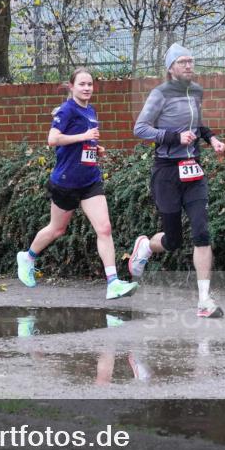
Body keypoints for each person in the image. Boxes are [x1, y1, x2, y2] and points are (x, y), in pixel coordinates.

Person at [16, 68, 139, 300]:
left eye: (90, 84)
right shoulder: (66, 110)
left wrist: (94, 148)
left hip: (90, 180)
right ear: (71, 87)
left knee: (104, 228)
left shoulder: (90, 110)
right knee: (57, 229)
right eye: (82, 84)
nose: (87, 88)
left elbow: (83, 143)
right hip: (66, 181)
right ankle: (28, 256)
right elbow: (52, 139)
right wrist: (84, 137)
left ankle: (113, 283)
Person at [129, 44, 225, 318]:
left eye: (190, 61)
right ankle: (146, 246)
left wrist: (212, 139)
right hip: (167, 173)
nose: (188, 65)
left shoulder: (196, 91)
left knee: (202, 232)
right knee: (173, 240)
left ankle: (204, 301)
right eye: (182, 62)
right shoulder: (159, 94)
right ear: (171, 68)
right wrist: (174, 137)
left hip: (193, 171)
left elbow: (196, 125)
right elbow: (140, 128)